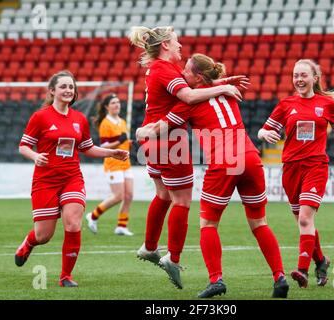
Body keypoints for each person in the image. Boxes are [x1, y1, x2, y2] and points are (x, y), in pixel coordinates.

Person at [136, 53, 289, 299]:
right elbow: (211, 87)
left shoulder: (188, 103)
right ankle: (279, 276)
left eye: (186, 71)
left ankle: (216, 279)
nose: (182, 74)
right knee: (260, 223)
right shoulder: (227, 93)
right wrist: (223, 83)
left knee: (208, 225)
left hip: (224, 161)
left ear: (197, 77)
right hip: (250, 157)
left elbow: (159, 128)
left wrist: (140, 130)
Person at [129, 26, 247, 289]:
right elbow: (189, 95)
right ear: (165, 46)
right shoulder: (165, 69)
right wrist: (222, 89)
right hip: (168, 140)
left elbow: (189, 89)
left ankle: (149, 247)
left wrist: (221, 83)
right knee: (182, 200)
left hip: (153, 139)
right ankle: (173, 257)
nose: (181, 46)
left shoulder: (158, 69)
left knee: (163, 195)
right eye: (177, 42)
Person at [258, 59, 334, 288]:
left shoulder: (326, 104)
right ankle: (321, 261)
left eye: (303, 75)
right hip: (290, 168)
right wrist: (263, 135)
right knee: (301, 220)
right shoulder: (286, 104)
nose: (299, 79)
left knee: (306, 219)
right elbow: (264, 128)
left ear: (314, 78)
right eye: (296, 75)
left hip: (316, 167)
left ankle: (302, 270)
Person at [15, 70, 129, 287]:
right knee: (44, 236)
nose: (68, 90)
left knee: (73, 223)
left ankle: (65, 276)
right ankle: (29, 243)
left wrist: (111, 152)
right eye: (63, 87)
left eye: (71, 87)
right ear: (52, 91)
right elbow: (23, 146)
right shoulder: (40, 117)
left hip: (72, 178)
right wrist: (35, 156)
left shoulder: (79, 119)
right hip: (45, 181)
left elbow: (87, 147)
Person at [85, 93, 134, 236]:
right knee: (118, 196)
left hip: (125, 162)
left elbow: (122, 141)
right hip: (113, 163)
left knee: (129, 195)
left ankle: (121, 226)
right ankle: (93, 215)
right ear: (107, 107)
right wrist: (120, 141)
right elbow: (105, 145)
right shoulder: (105, 123)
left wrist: (128, 143)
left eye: (118, 102)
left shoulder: (122, 121)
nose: (117, 105)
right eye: (113, 103)